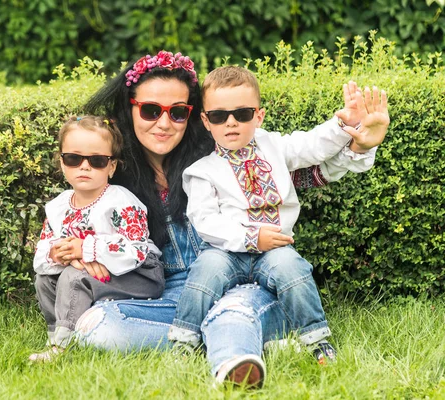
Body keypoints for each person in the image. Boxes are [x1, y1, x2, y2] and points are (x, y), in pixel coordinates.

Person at [73, 50, 389, 387]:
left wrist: (358, 146)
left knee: (234, 310)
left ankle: (231, 350)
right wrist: (82, 249)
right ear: (131, 108)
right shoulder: (110, 173)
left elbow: (303, 174)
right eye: (151, 110)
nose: (163, 123)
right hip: (178, 297)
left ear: (195, 116)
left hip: (248, 284)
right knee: (99, 324)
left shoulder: (222, 154)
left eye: (178, 113)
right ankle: (232, 333)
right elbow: (79, 221)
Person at [166, 66, 389, 371]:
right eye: (219, 116)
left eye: (242, 114)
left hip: (275, 249)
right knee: (205, 270)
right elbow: (205, 221)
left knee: (293, 269)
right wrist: (250, 237)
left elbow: (310, 145)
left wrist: (342, 124)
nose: (231, 122)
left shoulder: (273, 146)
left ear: (259, 116)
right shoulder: (201, 170)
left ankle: (316, 340)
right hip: (226, 252)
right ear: (206, 121)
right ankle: (184, 339)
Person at [29, 116, 165, 362]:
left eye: (97, 161)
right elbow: (42, 252)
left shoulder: (120, 202)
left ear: (111, 167)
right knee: (44, 279)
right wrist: (59, 253)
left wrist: (88, 248)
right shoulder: (58, 207)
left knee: (74, 277)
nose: (84, 167)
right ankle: (60, 333)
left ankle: (62, 348)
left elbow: (136, 249)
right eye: (74, 158)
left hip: (140, 275)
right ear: (62, 162)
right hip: (92, 276)